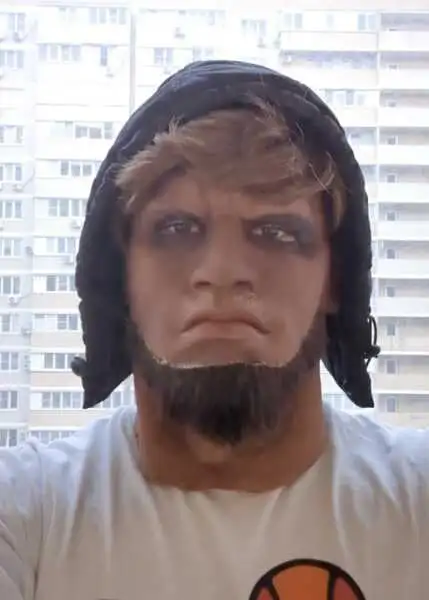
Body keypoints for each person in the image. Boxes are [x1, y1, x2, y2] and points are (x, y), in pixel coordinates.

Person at [0, 60, 427, 600]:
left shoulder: (417, 502)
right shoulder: (28, 512)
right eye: (176, 229)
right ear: (121, 280)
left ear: (334, 283)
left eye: (275, 233)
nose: (222, 272)